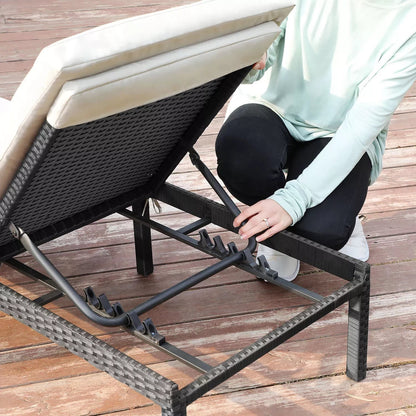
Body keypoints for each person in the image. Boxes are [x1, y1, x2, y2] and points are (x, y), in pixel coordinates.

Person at [215, 0, 416, 281]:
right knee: (242, 155)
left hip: (340, 132)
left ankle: (303, 217)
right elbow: (260, 60)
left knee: (323, 229)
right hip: (271, 106)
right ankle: (274, 227)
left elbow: (361, 125)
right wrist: (249, 59)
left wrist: (293, 200)